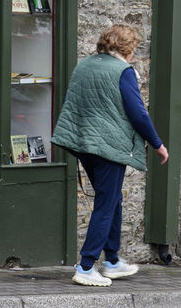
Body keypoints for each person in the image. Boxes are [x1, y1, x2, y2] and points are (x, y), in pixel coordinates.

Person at [51, 24, 168, 287]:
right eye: (134, 49)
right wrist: (157, 144)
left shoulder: (85, 65)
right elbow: (138, 113)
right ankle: (86, 266)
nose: (134, 55)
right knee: (106, 203)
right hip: (108, 147)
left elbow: (74, 103)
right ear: (126, 48)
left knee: (111, 198)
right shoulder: (122, 71)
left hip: (82, 143)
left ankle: (113, 261)